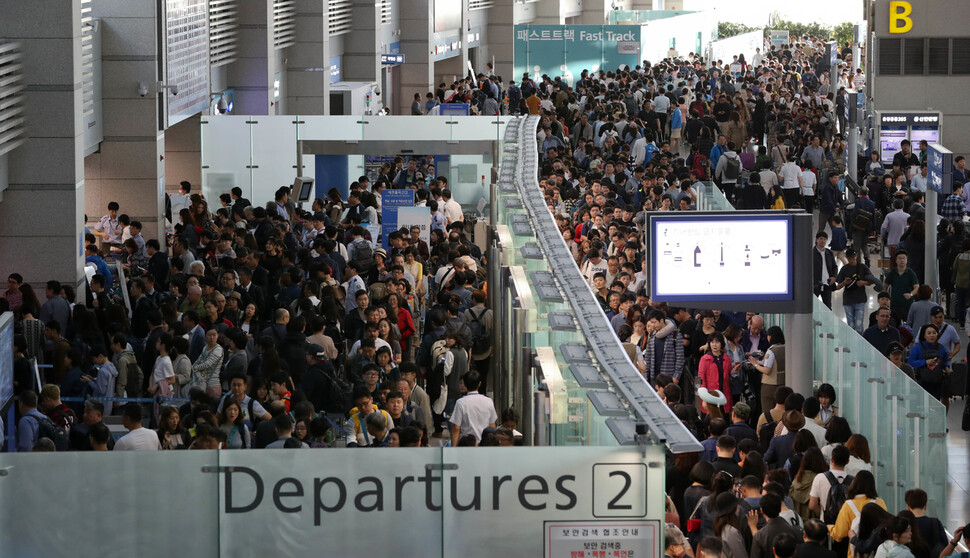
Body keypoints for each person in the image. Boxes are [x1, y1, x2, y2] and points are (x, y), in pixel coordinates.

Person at [835, 248, 882, 335]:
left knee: (859, 326)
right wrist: (844, 282)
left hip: (860, 300)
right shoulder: (844, 269)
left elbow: (872, 280)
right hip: (848, 301)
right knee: (851, 326)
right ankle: (851, 341)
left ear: (856, 256)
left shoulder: (863, 267)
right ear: (846, 258)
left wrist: (863, 282)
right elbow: (837, 287)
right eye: (849, 258)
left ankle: (861, 340)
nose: (851, 260)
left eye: (852, 258)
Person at [449, 371, 497, 445]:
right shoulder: (489, 401)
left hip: (467, 444)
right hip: (484, 444)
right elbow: (492, 425)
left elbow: (456, 428)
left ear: (465, 384)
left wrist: (453, 448)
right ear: (479, 384)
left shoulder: (461, 403)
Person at [907, 324, 951, 402]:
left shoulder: (941, 348)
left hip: (937, 383)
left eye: (934, 333)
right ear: (924, 336)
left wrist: (947, 367)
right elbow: (910, 362)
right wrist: (925, 362)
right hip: (921, 382)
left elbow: (945, 361)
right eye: (929, 333)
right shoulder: (917, 348)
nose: (932, 335)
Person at [813, 232, 838, 309]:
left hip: (827, 284)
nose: (822, 241)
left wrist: (834, 277)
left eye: (824, 239)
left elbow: (835, 267)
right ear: (816, 240)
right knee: (812, 307)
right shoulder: (811, 253)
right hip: (815, 285)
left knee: (828, 307)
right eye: (821, 239)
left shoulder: (829, 253)